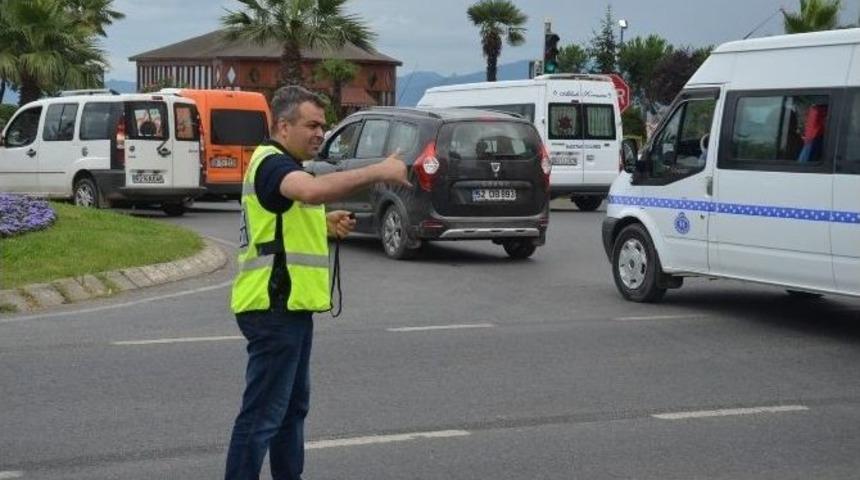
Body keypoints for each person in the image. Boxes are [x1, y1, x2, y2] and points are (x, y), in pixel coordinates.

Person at [225, 85, 409, 480]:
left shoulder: (283, 165)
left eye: (322, 126)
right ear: (283, 126)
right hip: (274, 307)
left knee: (290, 411)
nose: (320, 134)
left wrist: (322, 223)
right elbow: (309, 191)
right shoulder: (274, 165)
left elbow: (278, 222)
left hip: (289, 308)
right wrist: (380, 171)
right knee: (262, 417)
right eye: (311, 125)